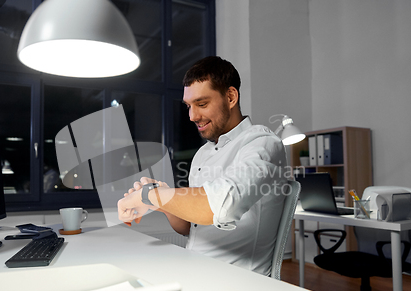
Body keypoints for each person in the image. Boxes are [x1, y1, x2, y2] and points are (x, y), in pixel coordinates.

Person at [117, 56, 288, 276]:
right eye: (188, 106)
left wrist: (151, 195)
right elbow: (190, 227)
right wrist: (161, 202)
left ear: (231, 96)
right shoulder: (203, 154)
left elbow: (221, 205)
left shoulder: (262, 143)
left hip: (238, 281)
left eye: (202, 104)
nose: (192, 116)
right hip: (196, 269)